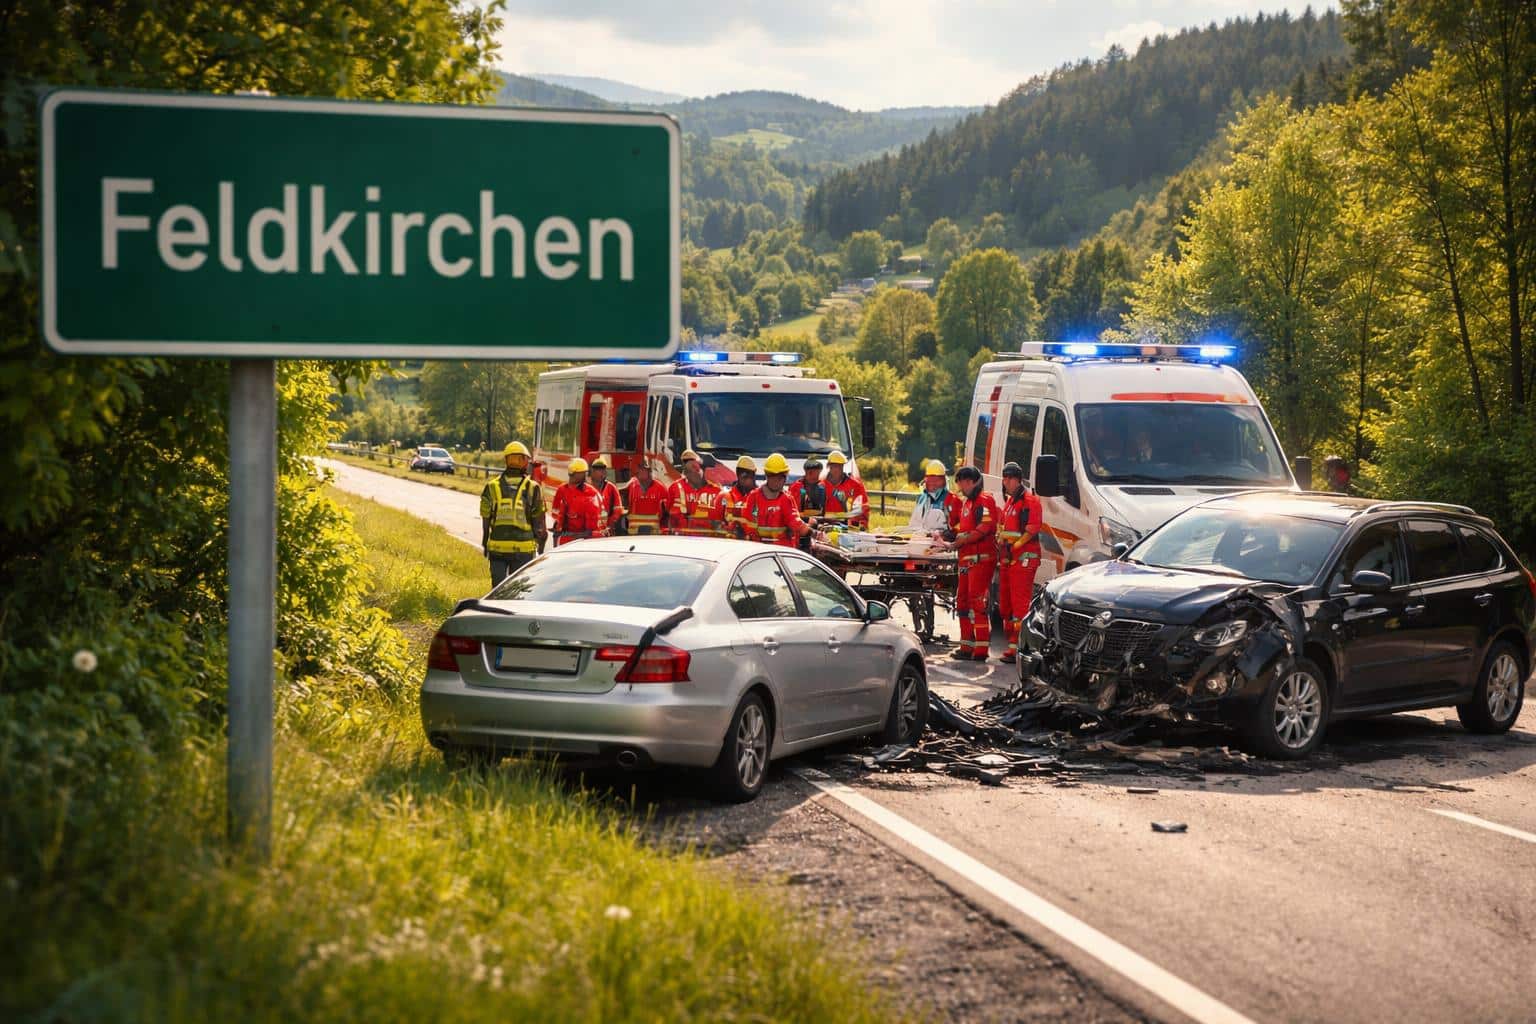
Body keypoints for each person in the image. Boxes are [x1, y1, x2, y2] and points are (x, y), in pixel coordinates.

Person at [943, 465, 998, 661]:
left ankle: (981, 649)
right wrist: (949, 536)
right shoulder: (966, 504)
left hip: (981, 559)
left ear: (971, 482)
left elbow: (985, 527)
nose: (960, 487)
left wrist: (962, 540)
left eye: (962, 483)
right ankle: (966, 646)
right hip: (966, 559)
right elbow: (962, 528)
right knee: (963, 602)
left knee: (977, 602)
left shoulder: (985, 501)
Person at [480, 440, 547, 585]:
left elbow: (486, 520)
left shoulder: (491, 487)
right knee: (518, 591)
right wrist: (540, 547)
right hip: (523, 550)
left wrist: (485, 543)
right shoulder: (533, 488)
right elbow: (539, 525)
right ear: (524, 461)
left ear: (506, 460)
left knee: (497, 590)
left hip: (497, 547)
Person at [995, 461, 1043, 664]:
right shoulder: (1010, 502)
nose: (1005, 481)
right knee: (1005, 604)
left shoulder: (1029, 501)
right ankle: (1012, 645)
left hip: (1024, 558)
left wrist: (1015, 546)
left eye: (1009, 478)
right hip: (1009, 558)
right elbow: (1004, 528)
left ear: (1018, 479)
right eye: (1004, 478)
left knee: (1019, 604)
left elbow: (1032, 529)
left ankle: (1020, 648)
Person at [744, 453, 811, 547]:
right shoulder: (785, 499)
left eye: (779, 477)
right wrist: (814, 532)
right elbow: (798, 526)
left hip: (759, 553)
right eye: (773, 476)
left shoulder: (753, 496)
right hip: (780, 552)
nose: (776, 480)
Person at [668, 449, 725, 537]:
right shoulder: (675, 488)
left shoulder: (717, 491)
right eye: (689, 469)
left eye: (696, 467)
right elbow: (667, 518)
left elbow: (722, 522)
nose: (694, 471)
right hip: (682, 541)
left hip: (710, 543)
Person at [551, 457, 603, 546]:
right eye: (584, 473)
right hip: (566, 538)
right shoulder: (562, 490)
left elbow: (594, 527)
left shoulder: (591, 492)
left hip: (584, 540)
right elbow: (555, 513)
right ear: (575, 474)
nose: (586, 475)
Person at [820, 450, 869, 530]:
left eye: (840, 466)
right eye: (834, 466)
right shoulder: (821, 485)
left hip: (848, 528)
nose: (837, 469)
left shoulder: (855, 485)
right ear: (829, 466)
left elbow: (863, 508)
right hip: (825, 527)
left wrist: (861, 526)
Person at [910, 459, 962, 534]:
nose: (933, 483)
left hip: (942, 543)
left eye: (937, 480)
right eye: (930, 479)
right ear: (925, 479)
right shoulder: (921, 499)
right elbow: (914, 523)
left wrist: (947, 535)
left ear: (944, 480)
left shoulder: (953, 500)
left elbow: (961, 526)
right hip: (918, 540)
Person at [789, 456, 826, 549]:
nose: (814, 477)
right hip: (801, 525)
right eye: (811, 473)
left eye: (817, 474)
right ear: (806, 473)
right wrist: (807, 521)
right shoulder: (795, 488)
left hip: (819, 524)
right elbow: (792, 513)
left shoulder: (823, 486)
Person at [625, 460, 669, 536]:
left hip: (653, 531)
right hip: (634, 532)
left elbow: (667, 510)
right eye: (640, 470)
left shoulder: (659, 487)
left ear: (650, 472)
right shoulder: (631, 485)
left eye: (645, 470)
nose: (642, 472)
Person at [588, 454, 625, 536]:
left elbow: (618, 510)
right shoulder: (585, 488)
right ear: (592, 472)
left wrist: (610, 524)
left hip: (606, 531)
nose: (602, 472)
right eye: (599, 470)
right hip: (589, 531)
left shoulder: (611, 488)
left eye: (603, 470)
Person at [721, 456, 758, 539]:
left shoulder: (760, 496)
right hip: (732, 542)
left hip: (755, 544)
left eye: (749, 476)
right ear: (738, 475)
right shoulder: (726, 496)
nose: (747, 480)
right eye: (744, 476)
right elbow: (719, 522)